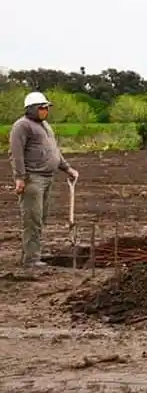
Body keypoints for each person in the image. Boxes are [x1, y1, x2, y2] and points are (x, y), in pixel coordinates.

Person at [8, 92, 79, 268]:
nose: (45, 111)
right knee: (32, 219)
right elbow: (16, 154)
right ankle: (31, 260)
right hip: (33, 179)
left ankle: (33, 253)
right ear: (31, 109)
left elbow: (54, 151)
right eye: (42, 108)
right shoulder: (21, 126)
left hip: (48, 178)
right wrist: (20, 178)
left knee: (40, 218)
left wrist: (67, 168)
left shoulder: (45, 126)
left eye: (47, 107)